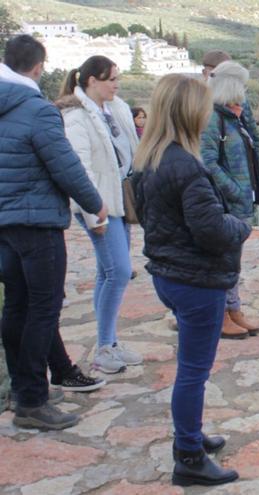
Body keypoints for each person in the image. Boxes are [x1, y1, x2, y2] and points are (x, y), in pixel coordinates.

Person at [132, 74, 249, 487]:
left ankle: (192, 434)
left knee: (190, 368)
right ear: (189, 112)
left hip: (168, 275)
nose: (207, 115)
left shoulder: (149, 159)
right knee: (193, 372)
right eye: (202, 108)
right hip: (196, 281)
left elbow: (150, 218)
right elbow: (212, 231)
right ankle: (188, 455)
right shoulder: (187, 166)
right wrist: (240, 226)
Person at [0, 34, 109, 429]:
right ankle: (32, 400)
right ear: (38, 67)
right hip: (37, 223)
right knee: (43, 309)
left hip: (4, 222)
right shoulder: (37, 110)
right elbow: (64, 165)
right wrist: (96, 202)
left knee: (16, 305)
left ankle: (20, 389)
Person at [56, 55, 142, 374]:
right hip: (100, 202)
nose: (116, 84)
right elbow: (82, 168)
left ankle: (110, 341)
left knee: (108, 271)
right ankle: (105, 346)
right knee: (119, 271)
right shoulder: (76, 116)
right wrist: (96, 212)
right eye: (111, 79)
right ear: (92, 81)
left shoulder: (114, 108)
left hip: (118, 196)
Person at [200, 60, 259, 339]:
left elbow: (254, 144)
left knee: (232, 259)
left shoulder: (233, 115)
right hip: (227, 203)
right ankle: (221, 314)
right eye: (242, 86)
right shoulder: (212, 119)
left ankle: (233, 309)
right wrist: (235, 191)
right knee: (223, 259)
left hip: (239, 201)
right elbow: (208, 162)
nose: (245, 92)